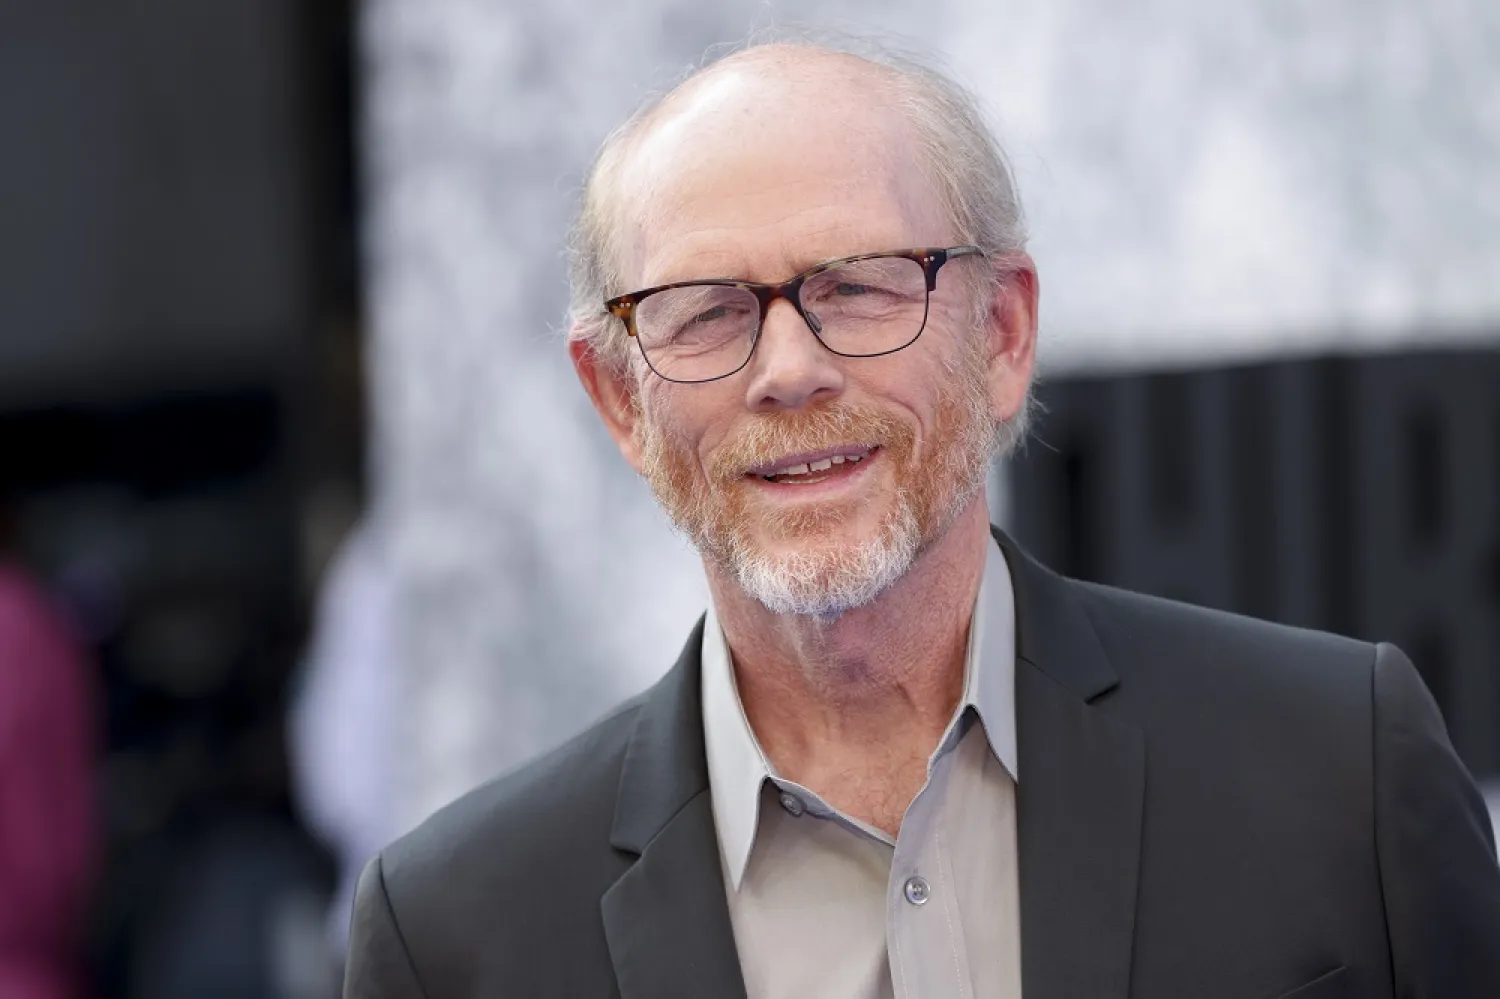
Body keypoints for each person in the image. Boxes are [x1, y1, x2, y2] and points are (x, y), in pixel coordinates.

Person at [343, 37, 1500, 999]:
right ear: (620, 401)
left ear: (1000, 335)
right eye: (704, 313)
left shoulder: (1340, 773)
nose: (788, 370)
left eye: (858, 286)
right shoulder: (453, 937)